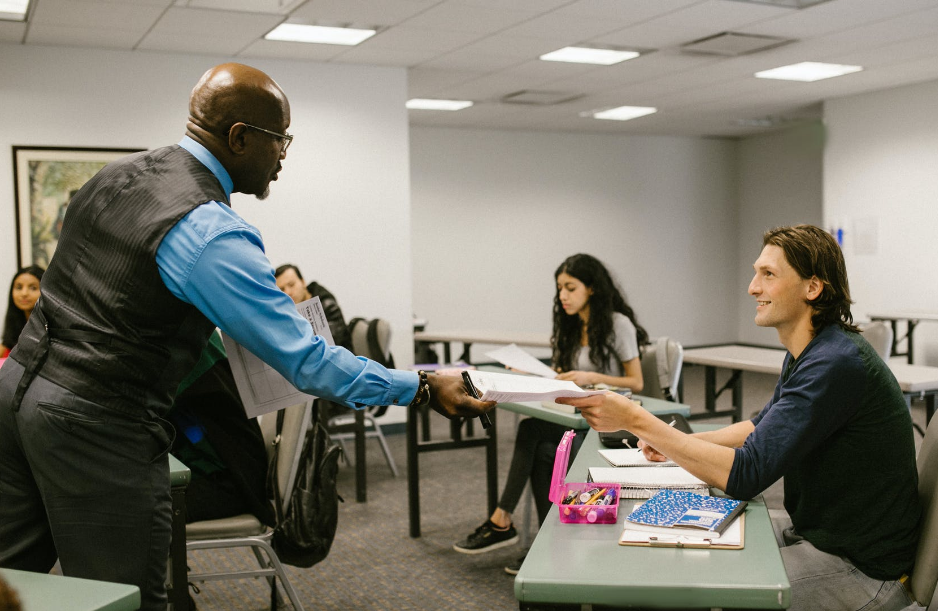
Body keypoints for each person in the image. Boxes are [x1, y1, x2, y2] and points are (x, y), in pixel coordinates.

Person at [0, 62, 493, 611]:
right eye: (281, 140)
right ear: (239, 138)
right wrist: (421, 386)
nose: (284, 154)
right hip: (95, 423)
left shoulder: (114, 177)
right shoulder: (211, 231)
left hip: (15, 392)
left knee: (11, 580)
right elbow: (307, 362)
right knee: (127, 598)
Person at [561, 225, 921, 611]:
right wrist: (673, 446)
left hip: (862, 569)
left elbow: (746, 477)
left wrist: (635, 419)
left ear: (812, 288)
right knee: (680, 561)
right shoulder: (814, 349)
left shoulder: (834, 364)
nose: (752, 287)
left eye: (768, 274)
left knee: (703, 589)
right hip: (821, 534)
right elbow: (756, 427)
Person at [453, 254, 647, 575]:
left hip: (606, 424)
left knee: (531, 433)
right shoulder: (571, 326)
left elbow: (636, 382)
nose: (563, 296)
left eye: (570, 288)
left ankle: (504, 522)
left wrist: (591, 379)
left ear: (593, 289)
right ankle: (547, 538)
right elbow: (562, 376)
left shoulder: (617, 325)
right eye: (560, 289)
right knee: (542, 449)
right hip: (573, 417)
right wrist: (532, 374)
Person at [167, 330, 273, 525]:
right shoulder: (189, 332)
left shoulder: (183, 342)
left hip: (229, 483)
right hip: (210, 471)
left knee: (125, 508)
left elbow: (138, 410)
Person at [274, 263, 351, 350]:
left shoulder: (326, 304)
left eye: (291, 285)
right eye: (282, 290)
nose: (288, 292)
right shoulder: (287, 311)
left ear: (303, 282)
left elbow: (332, 344)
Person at [0, 265, 44, 358]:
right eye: (19, 287)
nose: (24, 293)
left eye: (33, 288)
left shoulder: (52, 330)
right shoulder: (11, 337)